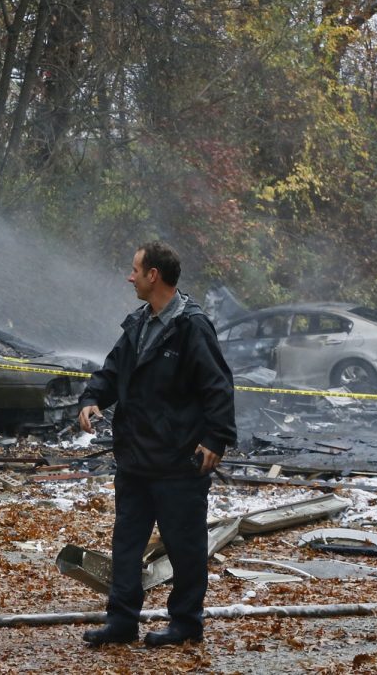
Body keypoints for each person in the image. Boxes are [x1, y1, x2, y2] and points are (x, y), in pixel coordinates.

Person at [77, 241, 235, 648]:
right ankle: (121, 622)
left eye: (135, 270)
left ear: (153, 275)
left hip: (178, 463)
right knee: (126, 545)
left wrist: (215, 439)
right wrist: (92, 398)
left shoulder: (192, 327)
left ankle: (186, 623)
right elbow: (113, 371)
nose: (129, 277)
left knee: (185, 547)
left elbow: (218, 387)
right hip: (134, 459)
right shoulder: (138, 323)